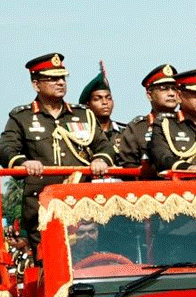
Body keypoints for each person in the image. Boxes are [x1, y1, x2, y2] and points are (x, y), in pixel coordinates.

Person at [0, 53, 115, 250]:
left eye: (63, 78)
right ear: (36, 84)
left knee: (86, 259)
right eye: (52, 79)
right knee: (49, 259)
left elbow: (104, 146)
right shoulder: (22, 117)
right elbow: (6, 148)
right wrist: (23, 162)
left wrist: (100, 159)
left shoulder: (83, 114)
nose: (60, 83)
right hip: (42, 205)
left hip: (80, 204)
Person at [115, 64, 178, 168]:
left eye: (174, 88)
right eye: (164, 89)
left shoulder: (190, 124)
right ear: (149, 95)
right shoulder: (137, 128)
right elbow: (127, 163)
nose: (171, 93)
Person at [77, 66, 121, 136]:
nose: (105, 102)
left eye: (108, 98)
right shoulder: (80, 133)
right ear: (87, 105)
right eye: (98, 99)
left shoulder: (124, 134)